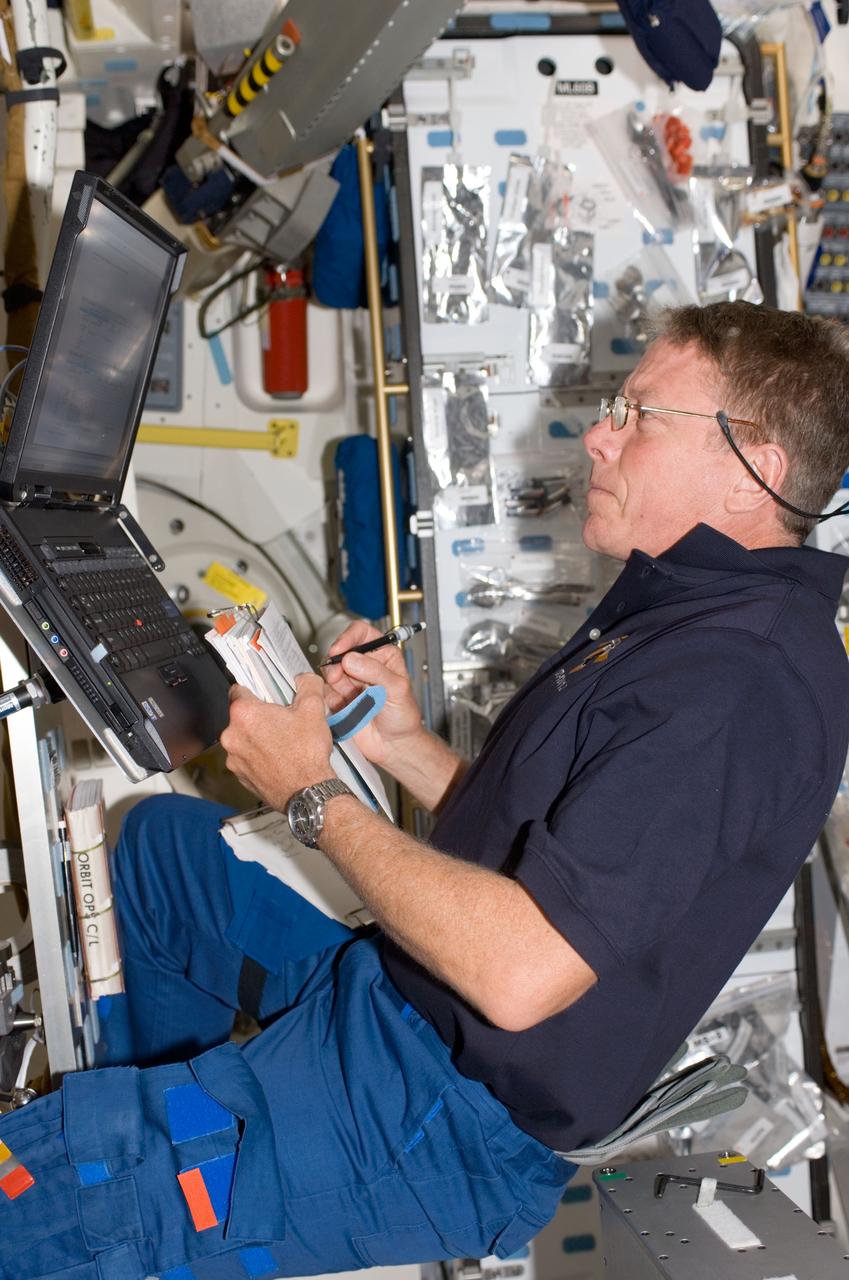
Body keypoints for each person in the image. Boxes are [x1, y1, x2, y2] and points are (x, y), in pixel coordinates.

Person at [2, 300, 849, 1280]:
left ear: (757, 467)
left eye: (640, 413)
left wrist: (317, 792)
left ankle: (140, 1187)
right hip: (402, 999)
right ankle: (174, 1181)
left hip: (441, 1114)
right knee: (162, 862)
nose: (600, 434)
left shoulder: (738, 685)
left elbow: (523, 971)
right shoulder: (695, 612)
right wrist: (403, 747)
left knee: (62, 1179)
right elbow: (551, 860)